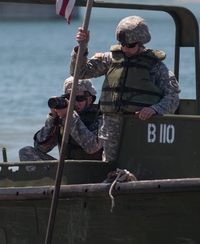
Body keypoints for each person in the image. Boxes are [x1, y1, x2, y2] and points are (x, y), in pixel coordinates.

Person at [72, 16, 181, 163]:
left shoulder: (156, 66)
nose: (125, 49)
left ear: (141, 42)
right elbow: (79, 72)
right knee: (110, 168)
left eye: (130, 45)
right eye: (122, 44)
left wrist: (155, 109)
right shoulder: (110, 59)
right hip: (111, 129)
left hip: (141, 127)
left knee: (139, 167)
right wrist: (82, 48)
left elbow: (172, 98)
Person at [18, 77, 103, 162]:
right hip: (66, 168)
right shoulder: (62, 117)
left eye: (79, 98)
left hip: (93, 169)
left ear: (89, 99)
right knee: (26, 152)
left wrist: (69, 117)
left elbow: (92, 147)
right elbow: (42, 148)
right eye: (70, 98)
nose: (74, 103)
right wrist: (53, 119)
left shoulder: (101, 116)